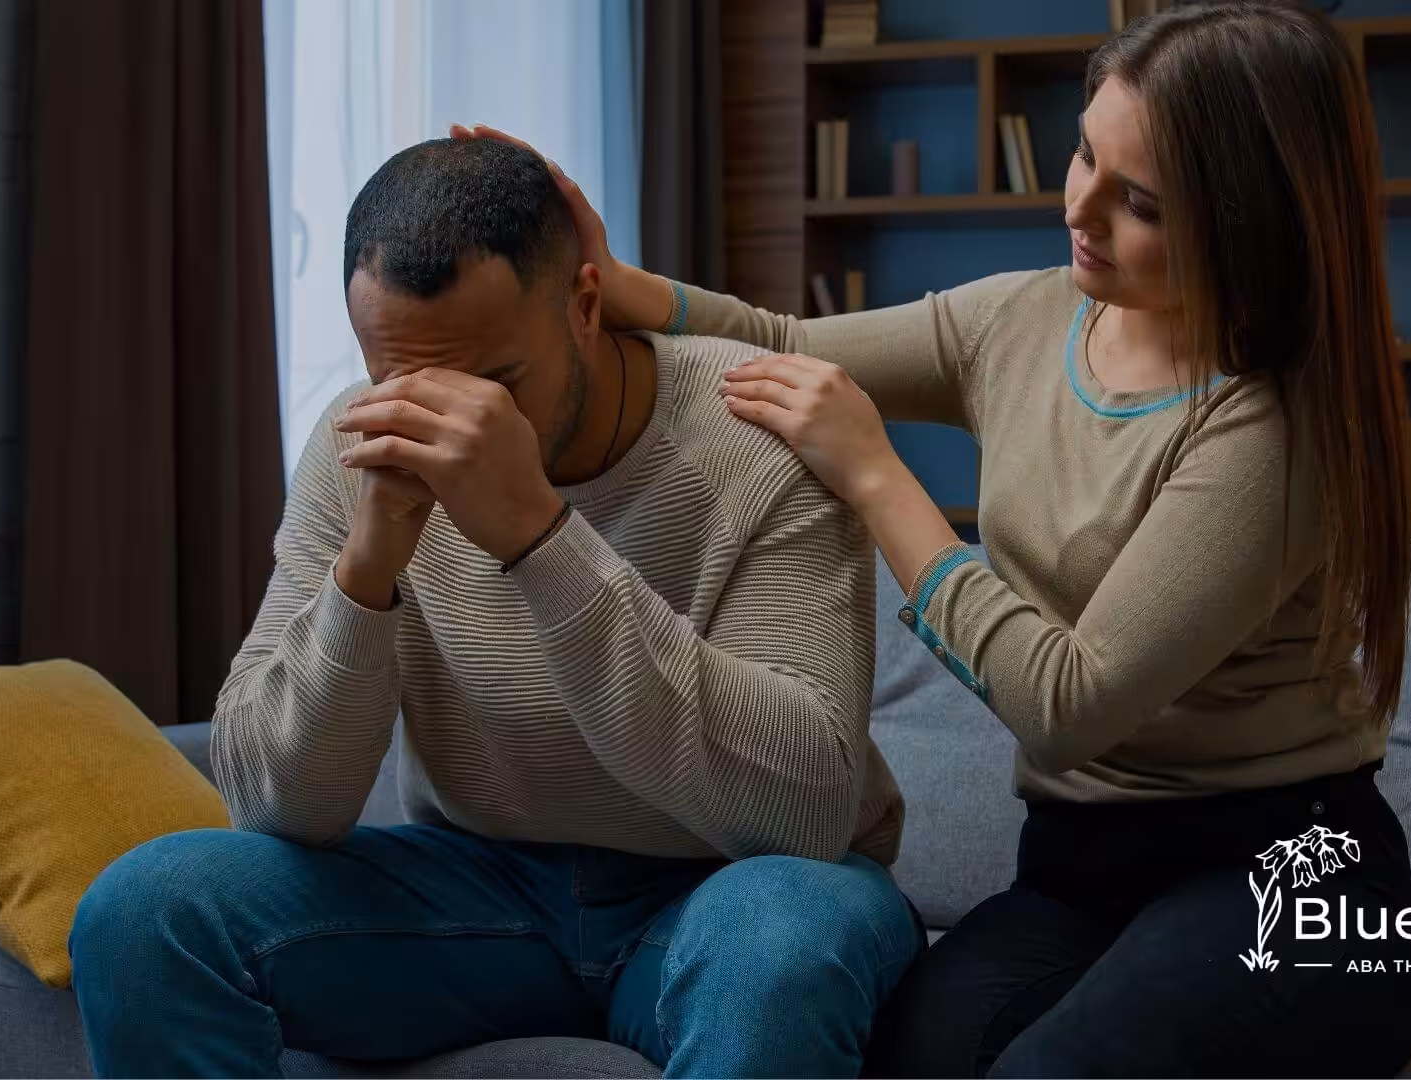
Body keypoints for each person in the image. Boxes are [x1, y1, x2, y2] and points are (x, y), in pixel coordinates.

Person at [460, 2, 1411, 1076]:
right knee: (902, 1058)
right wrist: (602, 278)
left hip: (1292, 869)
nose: (1081, 207)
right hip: (1080, 871)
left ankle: (1361, 1010)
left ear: (1251, 221)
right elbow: (786, 345)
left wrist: (879, 475)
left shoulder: (1268, 427)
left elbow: (1068, 707)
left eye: (1141, 204)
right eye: (1083, 155)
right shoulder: (1023, 321)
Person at [65, 137, 919, 1079]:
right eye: (403, 380)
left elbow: (798, 811)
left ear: (585, 306)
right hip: (480, 891)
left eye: (497, 382)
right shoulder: (356, 441)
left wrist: (540, 538)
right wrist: (368, 567)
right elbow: (273, 807)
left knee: (780, 944)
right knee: (145, 910)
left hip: (729, 887)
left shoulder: (761, 433)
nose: (453, 418)